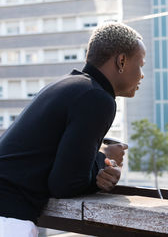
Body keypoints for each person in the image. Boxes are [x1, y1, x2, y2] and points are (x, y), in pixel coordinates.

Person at [0, 22, 146, 237]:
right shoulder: (97, 98)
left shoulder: (67, 85)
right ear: (121, 61)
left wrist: (99, 161)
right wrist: (103, 162)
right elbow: (65, 184)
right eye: (141, 64)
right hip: (8, 217)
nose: (142, 75)